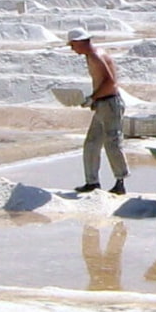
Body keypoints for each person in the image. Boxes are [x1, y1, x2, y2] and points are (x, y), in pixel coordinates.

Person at [66, 27, 129, 195]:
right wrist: (95, 100)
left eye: (73, 45)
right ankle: (92, 182)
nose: (72, 49)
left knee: (112, 143)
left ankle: (120, 182)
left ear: (80, 42)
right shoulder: (91, 55)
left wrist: (92, 98)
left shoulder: (96, 56)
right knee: (92, 144)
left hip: (110, 104)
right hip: (103, 104)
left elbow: (110, 83)